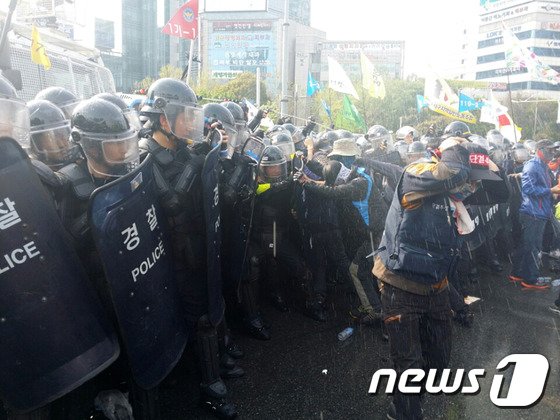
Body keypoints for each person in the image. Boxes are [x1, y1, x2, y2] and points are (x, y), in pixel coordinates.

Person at [373, 138, 507, 419]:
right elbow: (451, 172)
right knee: (409, 364)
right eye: (469, 179)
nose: (472, 186)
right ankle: (405, 411)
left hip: (436, 287)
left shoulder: (456, 192)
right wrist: (459, 149)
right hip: (400, 286)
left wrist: (490, 164)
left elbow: (500, 193)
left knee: (438, 361)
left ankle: (408, 398)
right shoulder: (418, 172)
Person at [139, 78, 239, 419]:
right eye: (183, 116)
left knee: (206, 313)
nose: (190, 123)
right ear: (162, 119)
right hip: (164, 262)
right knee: (189, 321)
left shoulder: (189, 154)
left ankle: (213, 371)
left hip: (195, 254)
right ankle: (205, 385)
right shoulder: (142, 162)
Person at [510, 140, 560, 289]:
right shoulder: (533, 166)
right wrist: (551, 191)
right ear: (540, 150)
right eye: (550, 150)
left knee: (527, 244)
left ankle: (517, 272)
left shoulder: (542, 165)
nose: (553, 153)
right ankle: (530, 279)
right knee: (533, 247)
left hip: (539, 211)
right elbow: (529, 190)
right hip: (533, 213)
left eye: (554, 150)